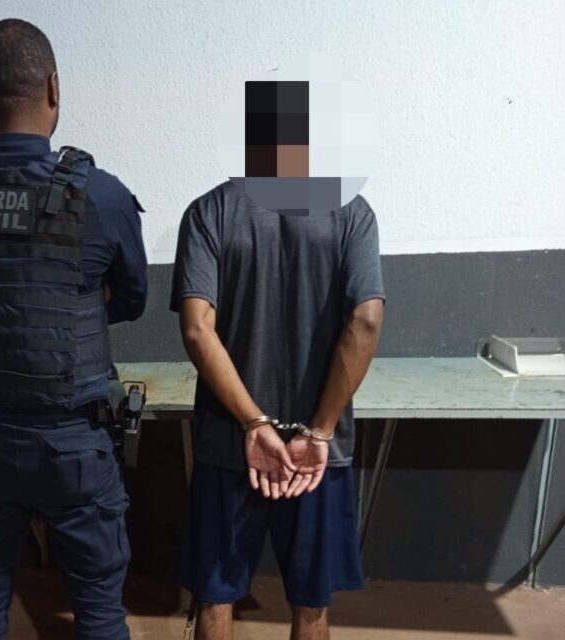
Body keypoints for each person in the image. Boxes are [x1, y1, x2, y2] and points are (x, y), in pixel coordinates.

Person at [0, 18, 147, 640]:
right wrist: (72, 298)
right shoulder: (99, 195)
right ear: (53, 87)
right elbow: (131, 299)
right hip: (72, 444)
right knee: (99, 612)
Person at [171, 79, 385, 640]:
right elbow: (365, 320)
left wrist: (253, 423)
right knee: (311, 607)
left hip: (230, 441)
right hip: (317, 451)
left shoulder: (211, 211)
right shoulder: (352, 213)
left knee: (216, 598)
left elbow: (196, 328)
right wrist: (319, 430)